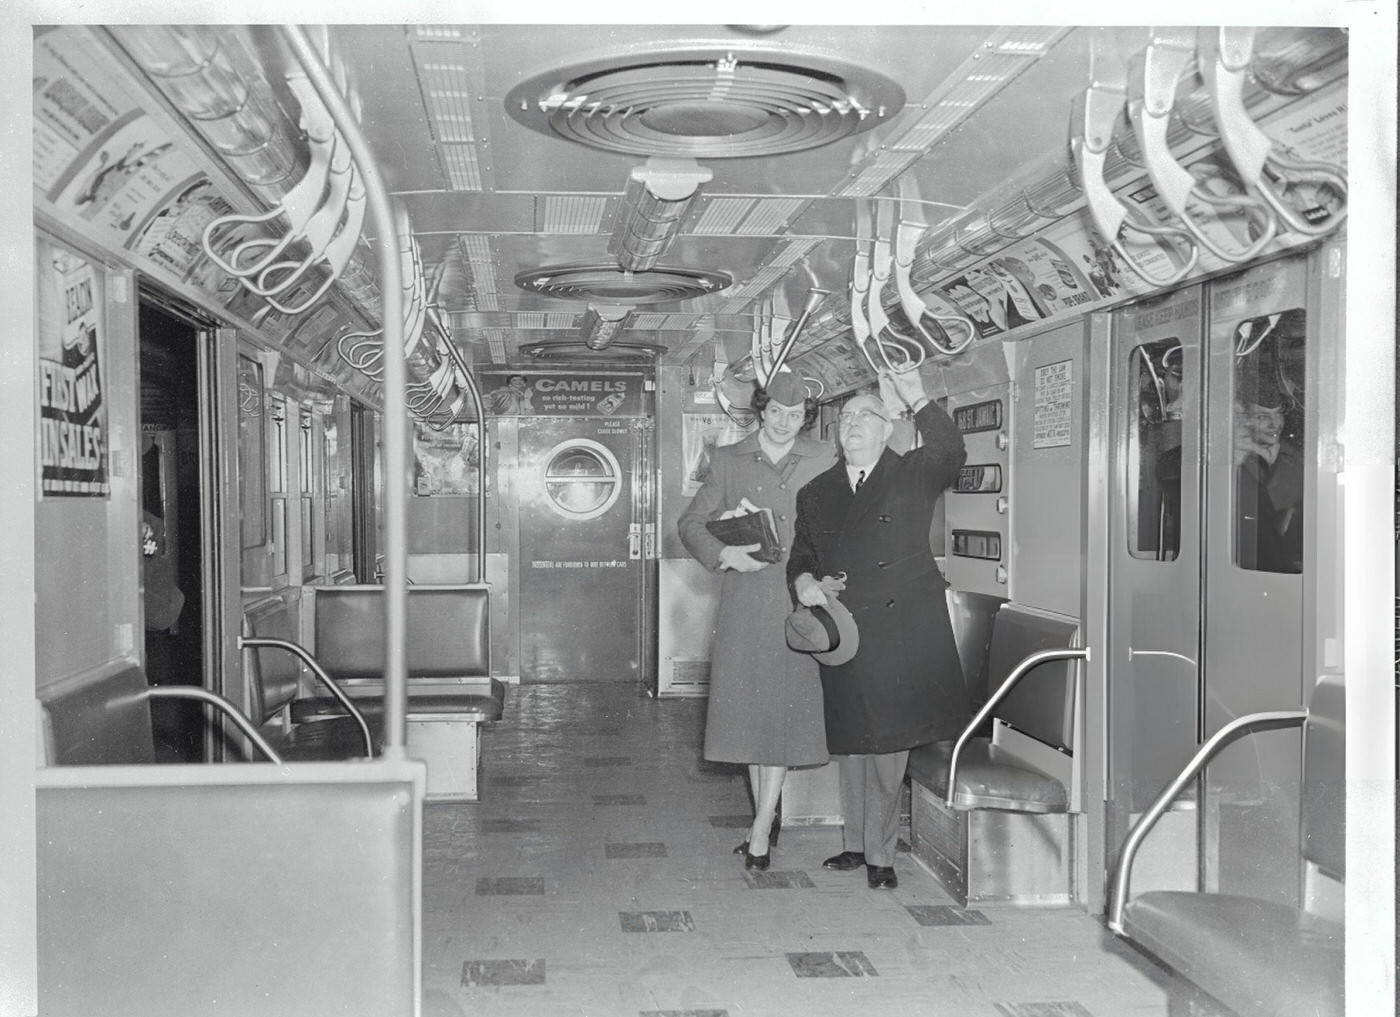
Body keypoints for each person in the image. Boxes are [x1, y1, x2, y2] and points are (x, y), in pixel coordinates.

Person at [788, 368, 968, 890]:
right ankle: (854, 843)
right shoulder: (817, 492)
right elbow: (803, 552)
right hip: (843, 630)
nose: (852, 426)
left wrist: (915, 395)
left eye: (865, 416)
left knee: (889, 748)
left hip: (898, 630)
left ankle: (881, 854)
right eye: (845, 418)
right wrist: (801, 580)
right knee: (850, 744)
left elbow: (951, 450)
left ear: (888, 427)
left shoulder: (911, 473)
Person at [678, 369, 837, 871]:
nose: (785, 423)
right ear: (761, 411)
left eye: (795, 415)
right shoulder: (727, 461)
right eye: (776, 413)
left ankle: (761, 828)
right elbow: (690, 524)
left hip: (804, 604)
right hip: (747, 602)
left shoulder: (826, 459)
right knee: (754, 719)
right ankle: (764, 820)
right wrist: (726, 556)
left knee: (783, 718)